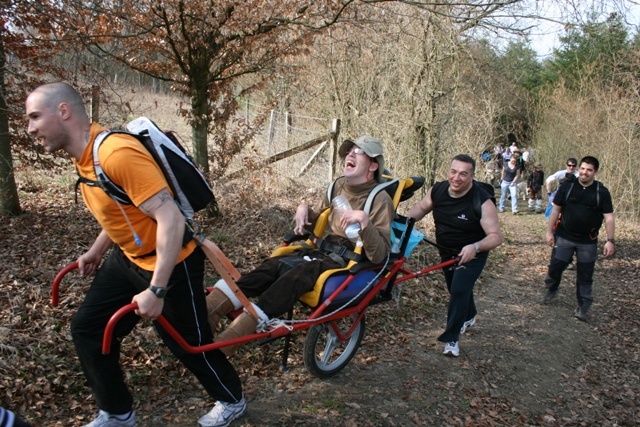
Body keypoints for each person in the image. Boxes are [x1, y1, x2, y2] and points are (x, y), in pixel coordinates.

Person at [25, 82, 245, 427]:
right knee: (89, 328)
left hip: (173, 263)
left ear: (63, 111)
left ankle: (232, 399)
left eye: (35, 117)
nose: (30, 128)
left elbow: (170, 217)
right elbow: (121, 208)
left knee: (188, 343)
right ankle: (117, 413)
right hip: (127, 260)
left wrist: (157, 289)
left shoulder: (116, 154)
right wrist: (97, 250)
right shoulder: (85, 158)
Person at [206, 135, 395, 356]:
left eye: (359, 151)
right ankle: (206, 314)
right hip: (319, 250)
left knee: (295, 276)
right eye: (350, 150)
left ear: (372, 165)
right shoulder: (337, 186)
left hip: (346, 260)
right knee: (272, 266)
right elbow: (320, 221)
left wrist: (364, 221)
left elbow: (380, 255)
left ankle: (226, 345)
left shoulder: (381, 200)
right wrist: (305, 211)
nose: (350, 154)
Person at [407, 155, 503, 357]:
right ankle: (469, 314)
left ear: (472, 176)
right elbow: (421, 208)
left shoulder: (482, 201)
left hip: (473, 253)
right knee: (456, 289)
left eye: (463, 174)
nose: (456, 177)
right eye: (453, 171)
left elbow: (495, 237)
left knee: (459, 289)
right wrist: (401, 223)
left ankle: (451, 339)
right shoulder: (439, 190)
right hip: (447, 251)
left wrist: (475, 247)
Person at [540, 156, 615, 321]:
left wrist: (610, 240)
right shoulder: (567, 187)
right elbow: (555, 211)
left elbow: (609, 218)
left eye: (589, 170)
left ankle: (583, 306)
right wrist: (549, 232)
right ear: (578, 169)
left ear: (595, 172)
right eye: (582, 169)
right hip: (564, 236)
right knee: (555, 267)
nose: (584, 173)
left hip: (587, 241)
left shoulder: (601, 192)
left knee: (585, 275)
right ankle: (552, 289)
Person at [498, 149, 522, 214]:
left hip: (513, 182)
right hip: (505, 181)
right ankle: (501, 208)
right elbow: (503, 172)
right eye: (513, 161)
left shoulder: (517, 166)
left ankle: (514, 210)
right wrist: (501, 179)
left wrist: (513, 182)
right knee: (503, 195)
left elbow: (517, 175)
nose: (514, 162)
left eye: (515, 161)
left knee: (514, 195)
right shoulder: (505, 164)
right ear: (510, 159)